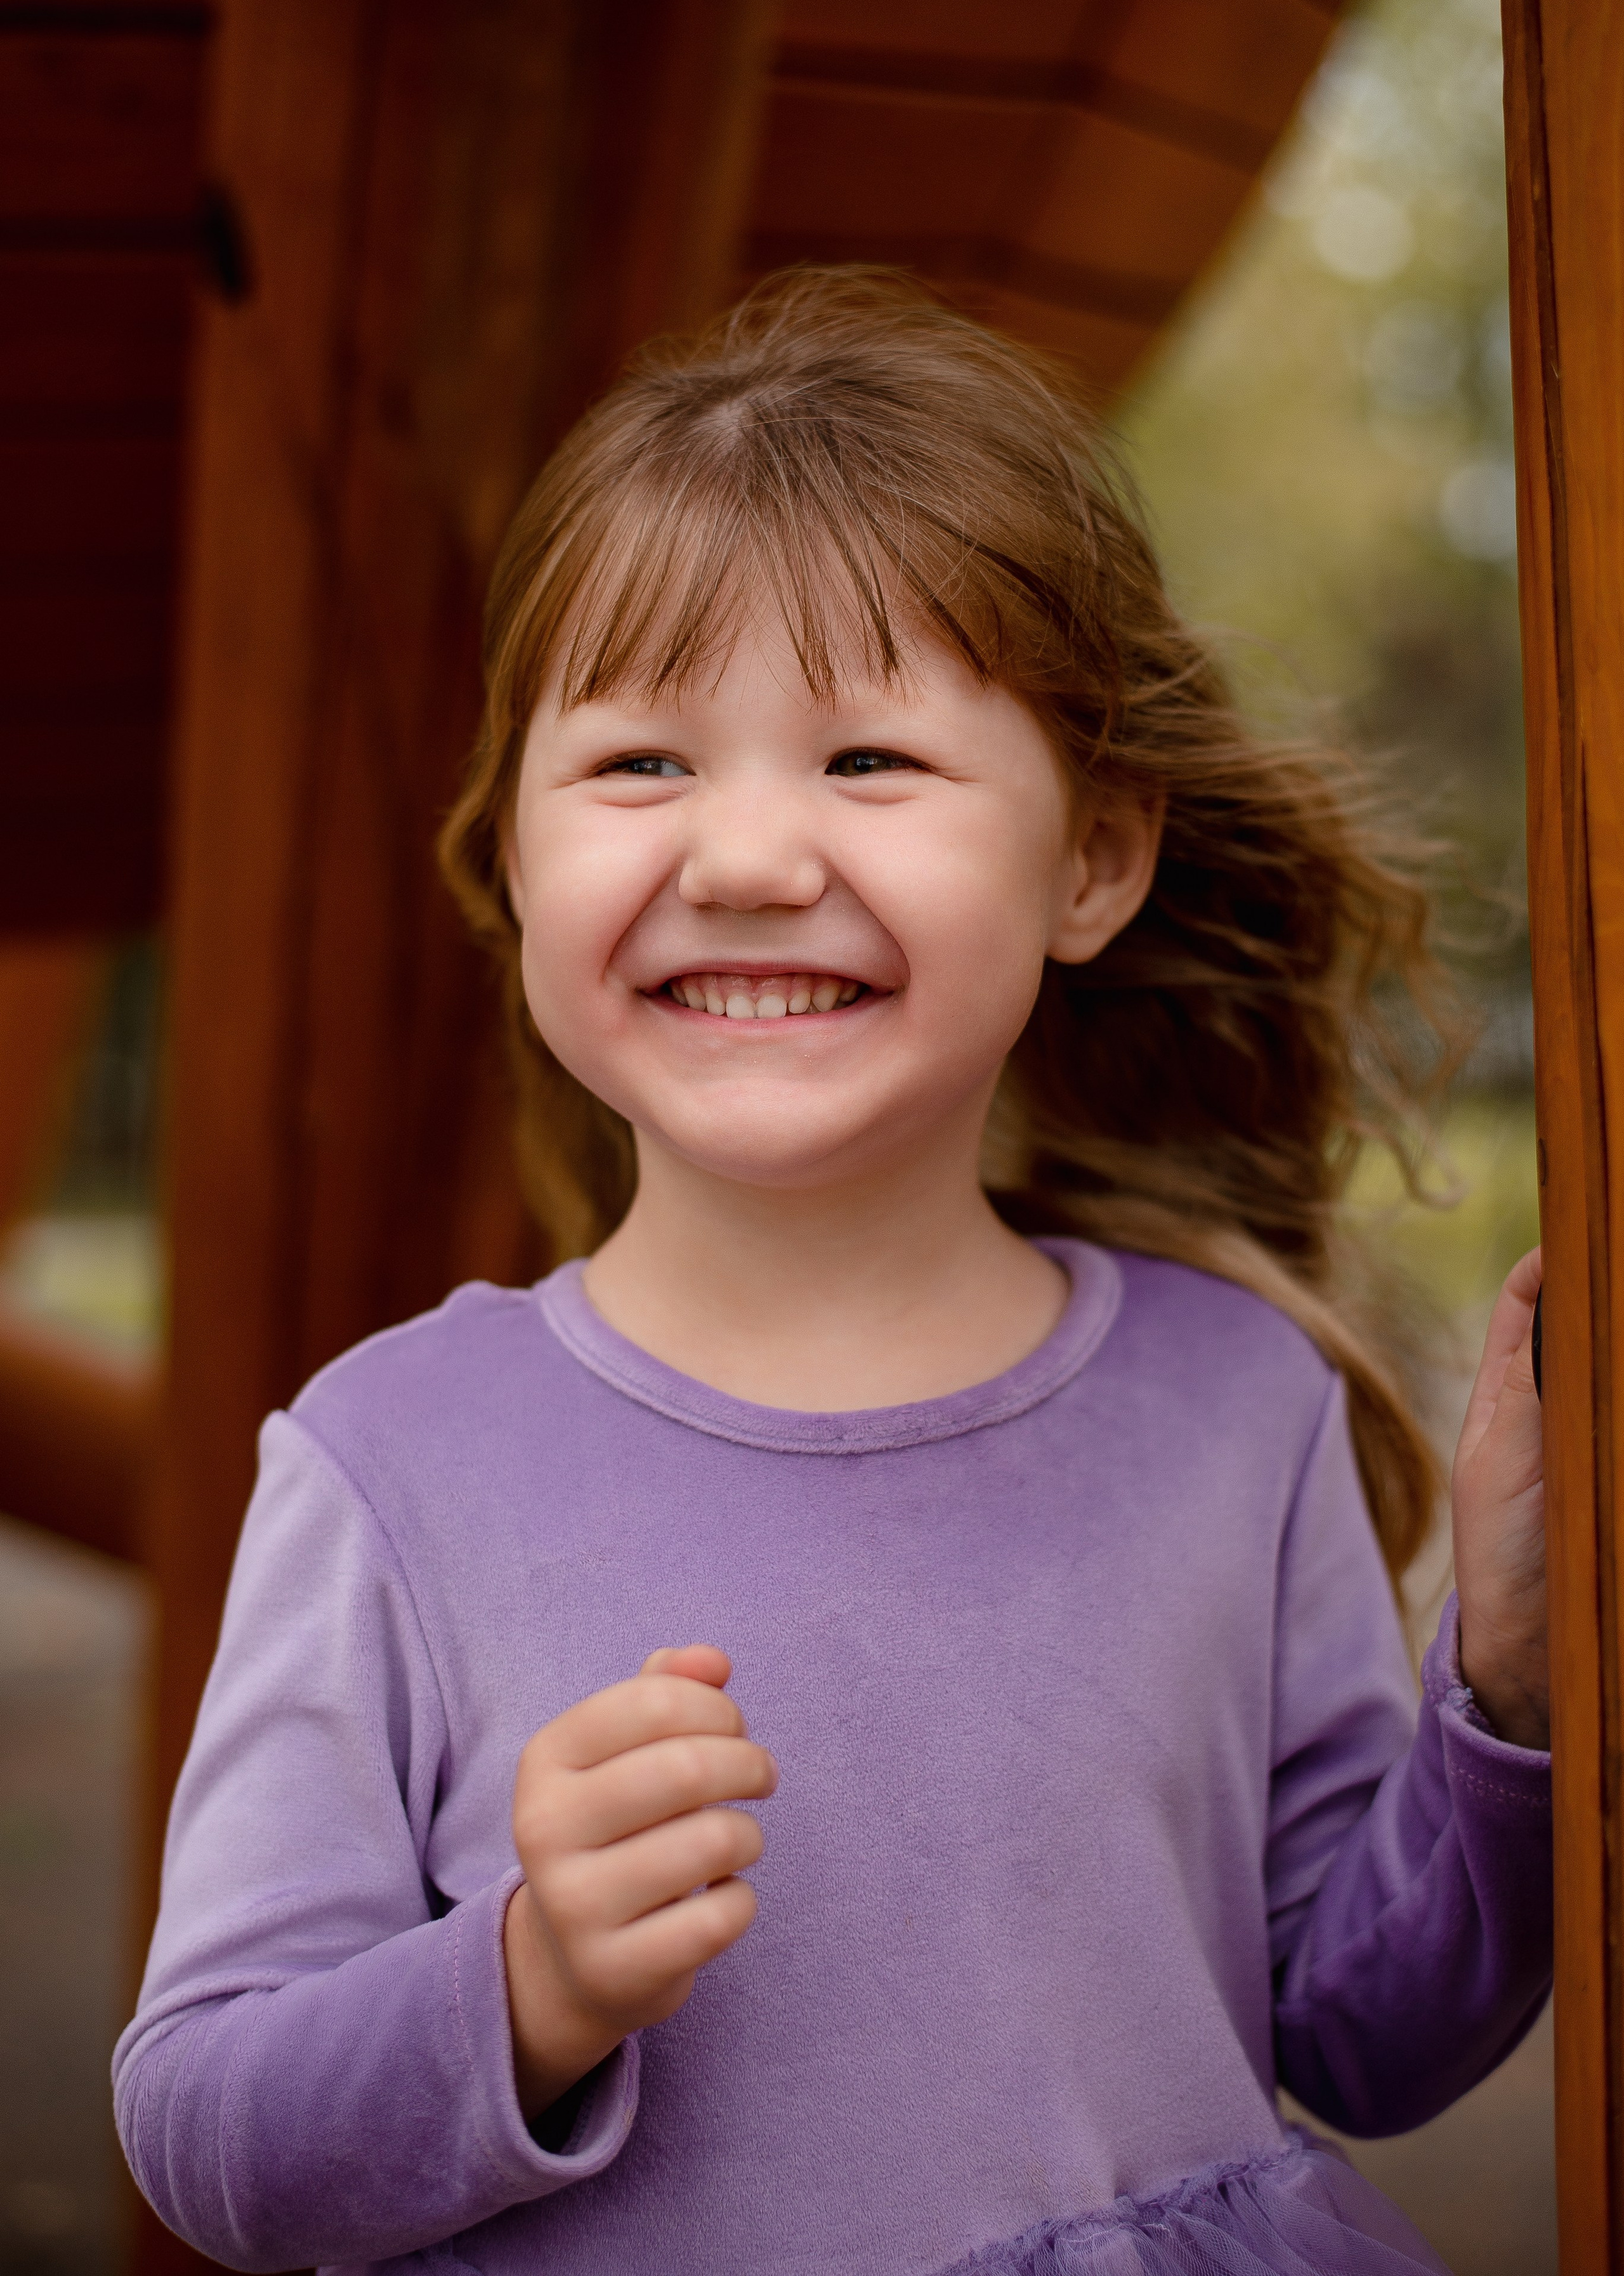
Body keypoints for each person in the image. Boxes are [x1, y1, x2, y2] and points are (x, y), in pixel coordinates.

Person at [113, 271, 1550, 2276]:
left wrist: (1516, 1683)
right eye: (637, 764)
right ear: (517, 854)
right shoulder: (389, 1464)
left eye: (870, 757)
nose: (750, 853)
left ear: (1094, 858)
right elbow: (210, 2130)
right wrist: (523, 1985)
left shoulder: (1239, 1402)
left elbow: (1364, 2034)